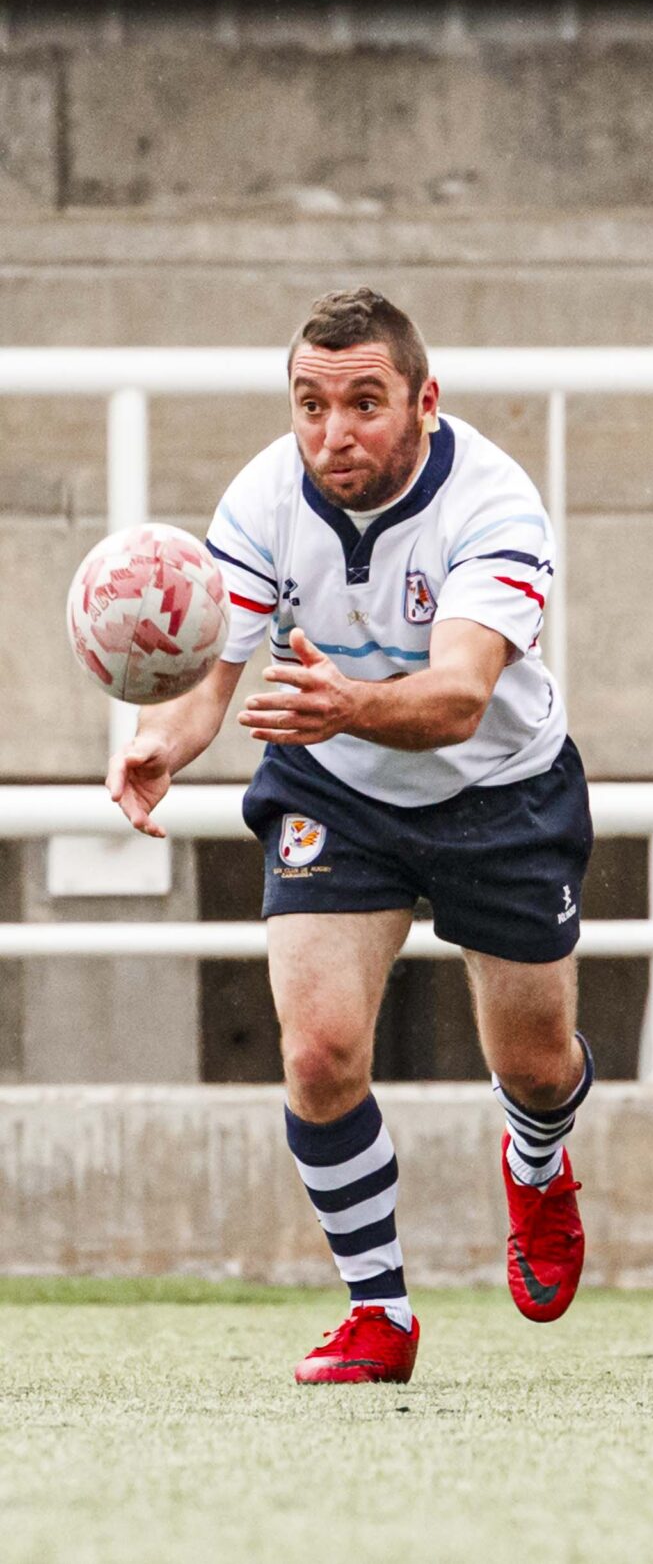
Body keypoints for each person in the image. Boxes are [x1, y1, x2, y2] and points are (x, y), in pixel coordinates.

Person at [107, 288, 591, 1385]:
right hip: (334, 787)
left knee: (534, 1062)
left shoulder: (495, 503)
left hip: (498, 790)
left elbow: (459, 699)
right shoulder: (262, 498)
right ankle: (379, 1311)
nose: (334, 434)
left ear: (425, 401)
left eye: (365, 403)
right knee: (318, 1054)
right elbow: (212, 682)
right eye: (311, 405)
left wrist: (347, 706)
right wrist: (159, 741)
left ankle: (538, 1160)